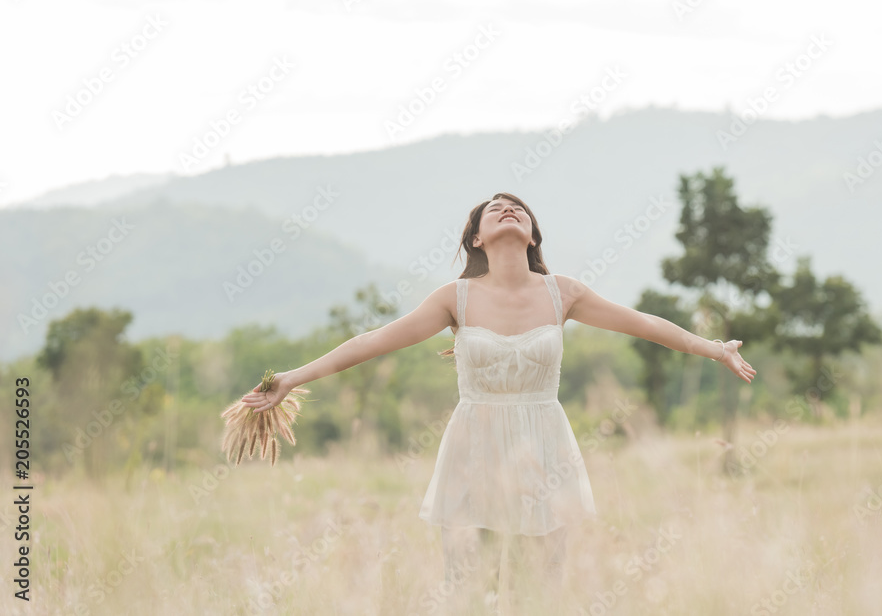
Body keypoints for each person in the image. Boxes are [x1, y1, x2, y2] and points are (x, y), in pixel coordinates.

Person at [240, 192, 756, 614]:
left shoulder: (564, 293)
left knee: (541, 593)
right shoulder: (455, 298)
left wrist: (712, 347)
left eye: (519, 208)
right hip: (475, 447)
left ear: (531, 235)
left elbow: (645, 325)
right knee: (468, 587)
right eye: (494, 208)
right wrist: (292, 377)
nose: (508, 209)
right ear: (476, 238)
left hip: (545, 449)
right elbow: (372, 341)